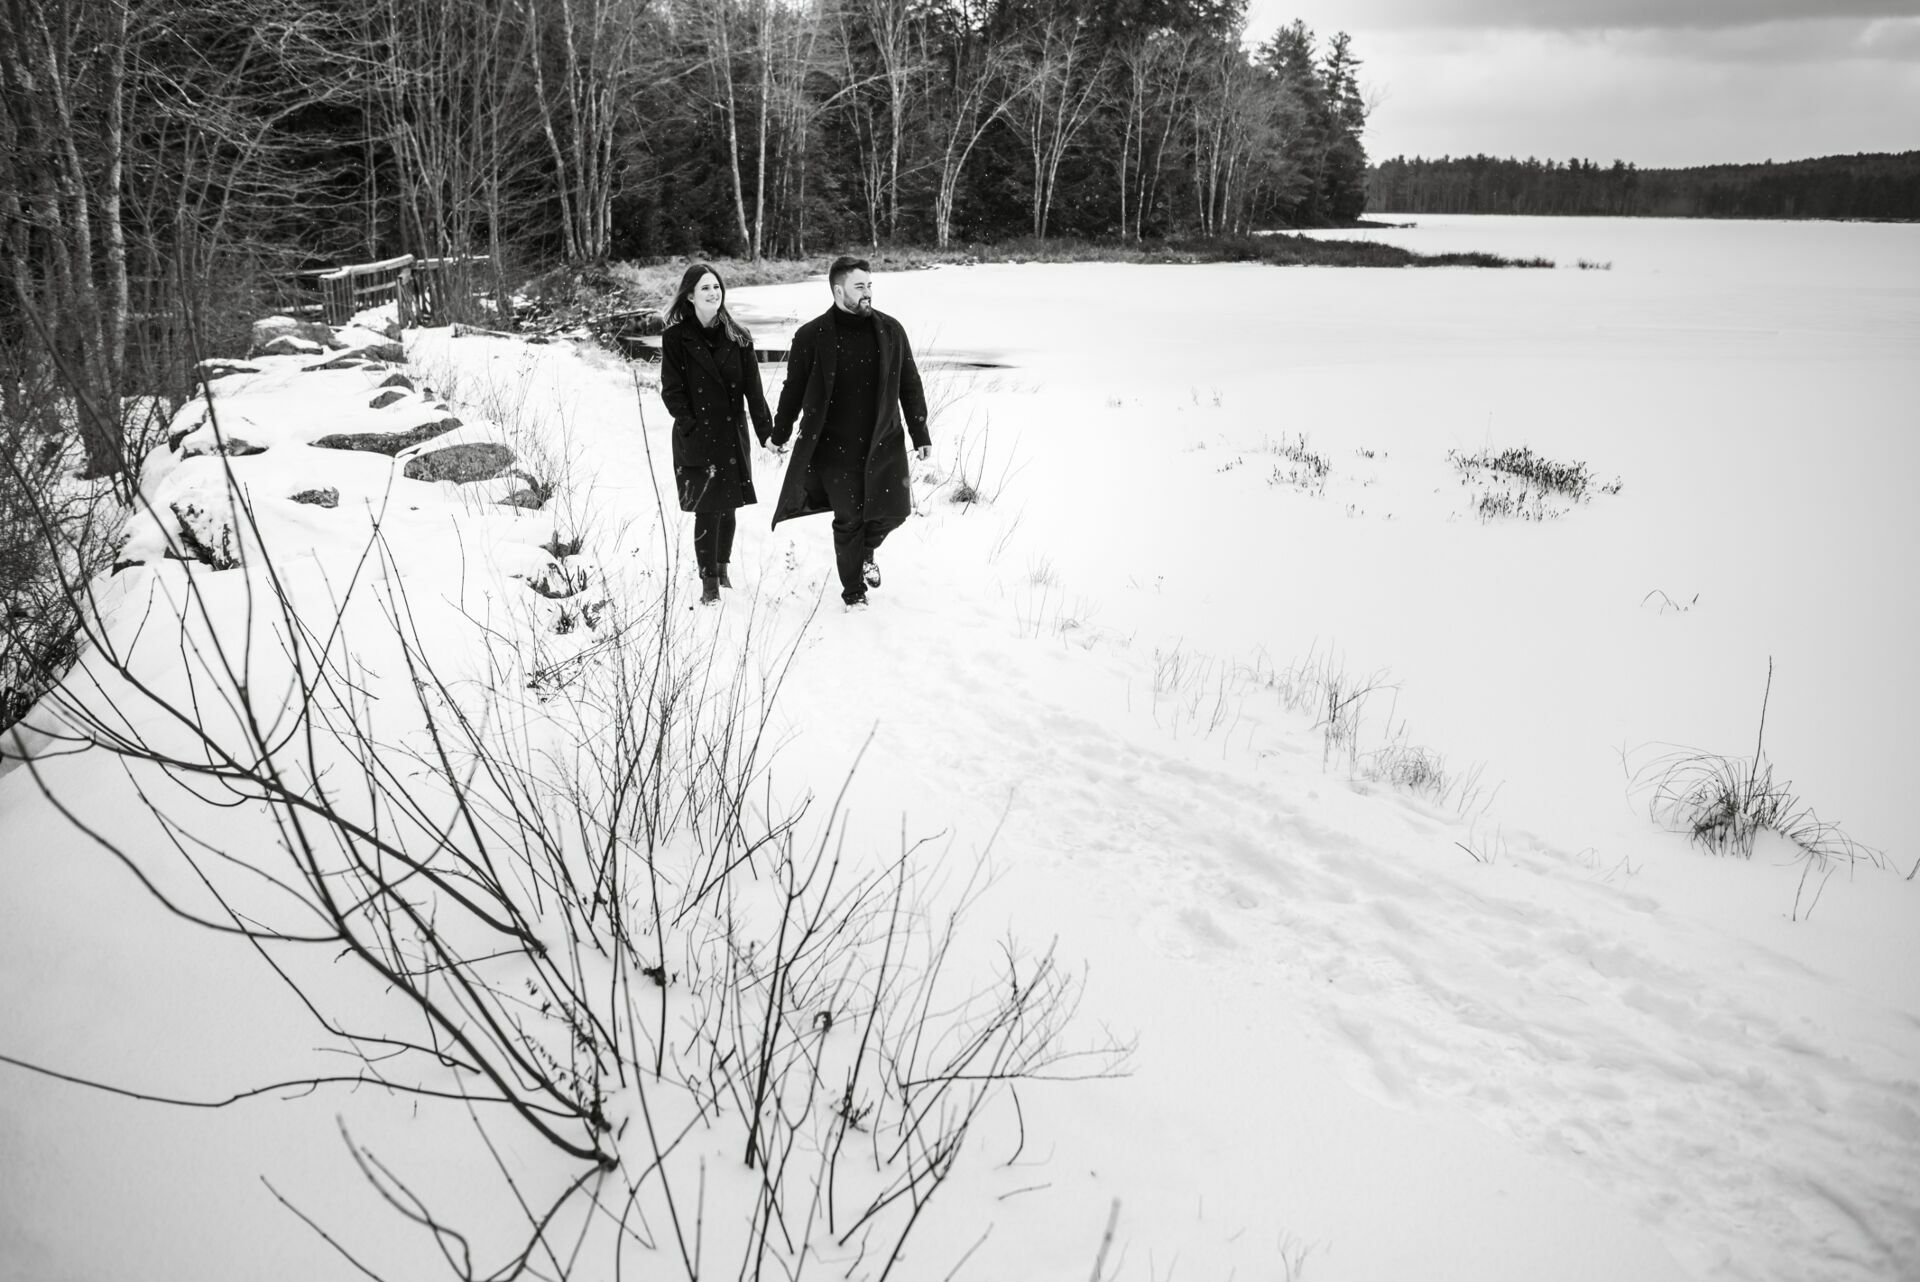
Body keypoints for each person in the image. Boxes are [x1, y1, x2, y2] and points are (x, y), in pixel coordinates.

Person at [770, 256, 930, 610]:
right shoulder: (812, 336)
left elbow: (910, 383)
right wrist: (779, 433)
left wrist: (921, 433)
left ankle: (867, 551)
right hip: (834, 448)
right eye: (860, 286)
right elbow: (792, 390)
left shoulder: (890, 330)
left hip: (882, 442)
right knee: (848, 520)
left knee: (895, 512)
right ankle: (853, 593)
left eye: (870, 285)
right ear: (838, 289)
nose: (867, 293)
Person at [659, 263, 774, 605]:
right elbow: (672, 390)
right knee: (707, 508)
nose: (713, 293)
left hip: (731, 434)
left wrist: (767, 434)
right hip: (696, 436)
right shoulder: (676, 338)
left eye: (717, 287)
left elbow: (755, 392)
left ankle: (722, 570)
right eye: (705, 288)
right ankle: (708, 582)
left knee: (729, 506)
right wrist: (691, 425)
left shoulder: (738, 337)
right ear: (690, 295)